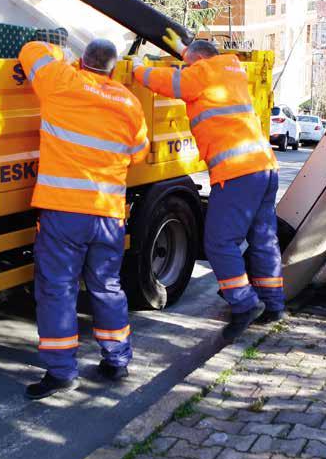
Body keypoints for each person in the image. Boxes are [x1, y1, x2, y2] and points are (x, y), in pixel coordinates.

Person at [15, 38, 148, 400]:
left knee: (58, 288)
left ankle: (61, 372)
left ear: (83, 60)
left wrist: (63, 56)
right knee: (106, 286)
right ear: (114, 67)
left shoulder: (60, 81)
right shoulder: (128, 102)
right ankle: (117, 359)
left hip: (64, 213)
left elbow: (31, 50)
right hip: (107, 214)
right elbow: (139, 154)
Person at [132, 30, 285, 337]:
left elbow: (170, 83)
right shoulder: (230, 70)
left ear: (199, 60)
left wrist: (136, 68)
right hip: (264, 168)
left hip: (238, 172)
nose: (186, 69)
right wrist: (181, 52)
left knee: (218, 242)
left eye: (188, 64)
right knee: (263, 239)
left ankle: (243, 303)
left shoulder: (202, 73)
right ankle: (273, 302)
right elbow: (191, 69)